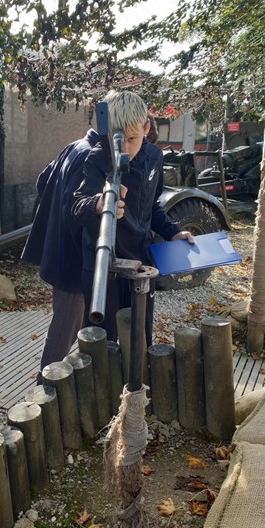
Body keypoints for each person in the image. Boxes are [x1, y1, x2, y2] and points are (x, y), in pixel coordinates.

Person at [72, 90, 194, 345]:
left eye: (132, 138)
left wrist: (173, 232)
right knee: (102, 342)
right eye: (119, 139)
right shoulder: (97, 157)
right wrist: (98, 204)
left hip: (141, 263)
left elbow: (153, 207)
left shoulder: (154, 158)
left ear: (146, 127)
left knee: (140, 337)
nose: (125, 148)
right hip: (102, 266)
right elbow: (75, 205)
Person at [21, 128, 100, 381]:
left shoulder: (74, 145)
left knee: (69, 322)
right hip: (73, 256)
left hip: (57, 247)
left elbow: (43, 180)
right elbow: (76, 210)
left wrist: (50, 215)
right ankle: (44, 388)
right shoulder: (92, 155)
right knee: (65, 327)